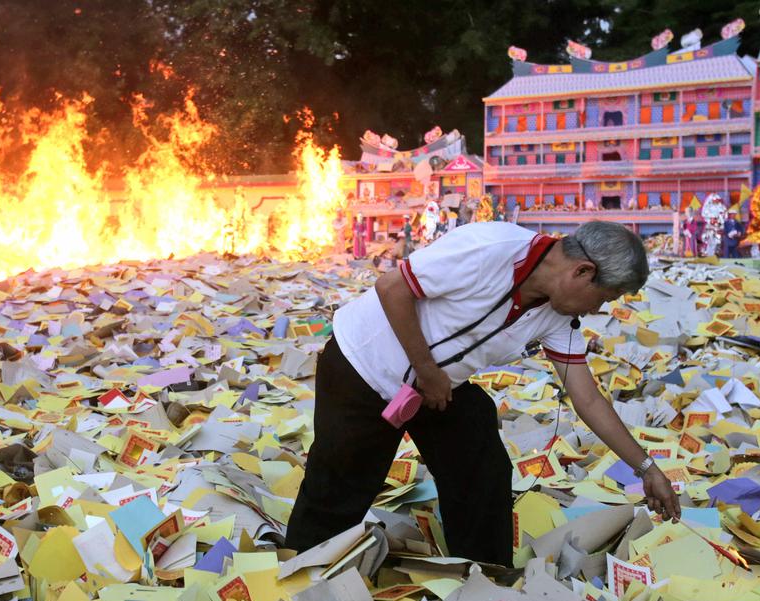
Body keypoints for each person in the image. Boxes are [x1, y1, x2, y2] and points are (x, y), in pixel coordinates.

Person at [285, 221, 681, 565]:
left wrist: (647, 469)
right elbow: (392, 287)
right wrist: (426, 369)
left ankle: (483, 574)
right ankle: (300, 580)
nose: (596, 310)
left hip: (434, 388)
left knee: (482, 464)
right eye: (603, 298)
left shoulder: (558, 314)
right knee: (340, 488)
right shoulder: (491, 247)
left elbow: (587, 398)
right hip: (364, 365)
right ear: (583, 271)